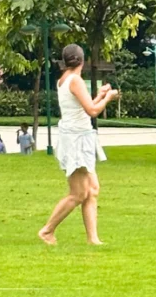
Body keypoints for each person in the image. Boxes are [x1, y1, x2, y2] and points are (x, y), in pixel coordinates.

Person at [38, 44, 119, 247]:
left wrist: (99, 95)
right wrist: (108, 98)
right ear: (82, 61)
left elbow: (82, 107)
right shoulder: (75, 80)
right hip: (76, 140)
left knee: (92, 189)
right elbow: (92, 111)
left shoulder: (65, 79)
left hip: (77, 137)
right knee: (78, 193)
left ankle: (93, 239)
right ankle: (47, 231)